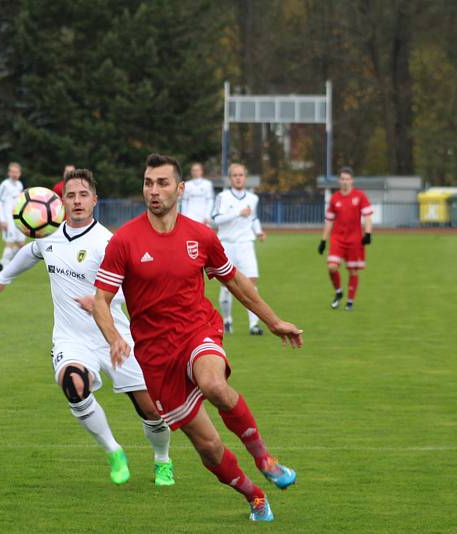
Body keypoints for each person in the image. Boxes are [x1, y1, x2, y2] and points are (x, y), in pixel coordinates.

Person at [93, 153, 302, 522]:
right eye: (148, 183)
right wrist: (113, 337)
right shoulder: (124, 240)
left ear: (180, 189)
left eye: (162, 183)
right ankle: (253, 495)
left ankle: (265, 459)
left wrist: (272, 321)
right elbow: (101, 301)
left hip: (197, 331)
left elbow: (235, 280)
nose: (153, 191)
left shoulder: (201, 236)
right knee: (209, 447)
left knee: (214, 386)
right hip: (157, 358)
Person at [0, 169, 175, 487]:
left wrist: (100, 300)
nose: (77, 201)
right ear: (61, 201)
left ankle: (162, 459)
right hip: (71, 339)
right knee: (73, 385)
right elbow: (28, 253)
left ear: (95, 201)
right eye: (71, 195)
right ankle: (114, 451)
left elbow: (133, 289)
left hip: (114, 336)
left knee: (151, 410)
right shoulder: (48, 237)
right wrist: (1, 279)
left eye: (83, 195)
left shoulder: (109, 243)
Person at [211, 163, 265, 335]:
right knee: (227, 286)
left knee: (251, 283)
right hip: (226, 244)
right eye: (235, 175)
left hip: (246, 244)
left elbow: (253, 218)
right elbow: (216, 219)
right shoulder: (223, 197)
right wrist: (237, 213)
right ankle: (227, 320)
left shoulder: (252, 198)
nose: (238, 178)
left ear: (245, 177)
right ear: (230, 178)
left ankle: (253, 324)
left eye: (241, 175)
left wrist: (259, 232)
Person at [317, 166, 373, 311]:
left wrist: (368, 233)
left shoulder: (360, 196)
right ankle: (338, 292)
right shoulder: (334, 198)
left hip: (355, 239)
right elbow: (329, 220)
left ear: (352, 180)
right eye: (342, 179)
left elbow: (367, 215)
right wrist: (323, 240)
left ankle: (350, 301)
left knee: (353, 271)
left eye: (347, 179)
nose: (345, 182)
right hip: (337, 239)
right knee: (331, 267)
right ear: (339, 180)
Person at [0, 162, 26, 271]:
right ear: (9, 173)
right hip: (8, 219)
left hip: (18, 219)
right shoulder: (4, 185)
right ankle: (5, 267)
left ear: (20, 173)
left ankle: (2, 262)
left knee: (22, 245)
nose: (14, 174)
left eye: (16, 172)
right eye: (12, 172)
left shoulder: (20, 184)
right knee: (10, 242)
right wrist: (2, 219)